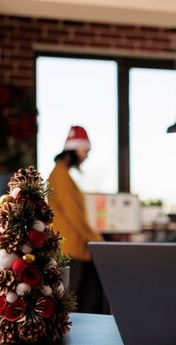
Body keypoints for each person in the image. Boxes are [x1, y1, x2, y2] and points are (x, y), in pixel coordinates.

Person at [48, 125, 108, 314]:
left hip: (72, 247)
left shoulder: (61, 174)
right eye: (85, 151)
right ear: (73, 150)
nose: (86, 156)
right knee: (73, 302)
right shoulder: (61, 176)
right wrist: (97, 239)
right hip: (70, 249)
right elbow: (74, 216)